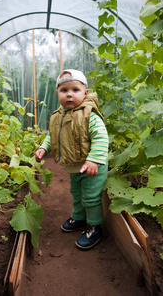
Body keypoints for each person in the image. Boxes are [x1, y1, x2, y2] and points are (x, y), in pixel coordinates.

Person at [35, 69, 109, 250]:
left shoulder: (89, 115)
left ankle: (94, 226)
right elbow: (53, 135)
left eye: (75, 90)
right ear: (58, 93)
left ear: (85, 93)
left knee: (91, 198)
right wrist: (44, 148)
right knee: (77, 193)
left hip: (92, 167)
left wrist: (93, 160)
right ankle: (79, 217)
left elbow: (101, 138)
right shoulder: (59, 115)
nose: (69, 94)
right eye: (64, 90)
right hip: (74, 167)